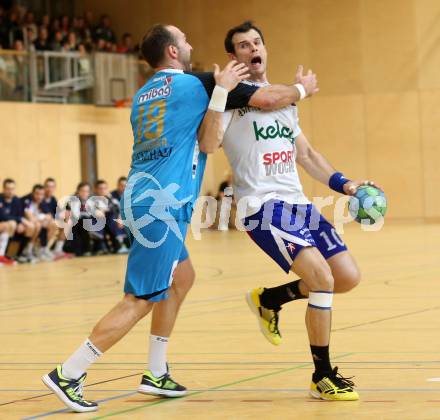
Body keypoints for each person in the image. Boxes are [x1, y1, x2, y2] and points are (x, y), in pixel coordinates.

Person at [41, 23, 318, 413]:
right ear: (173, 52)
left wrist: (220, 94)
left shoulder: (142, 96)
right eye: (185, 40)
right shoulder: (195, 85)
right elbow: (261, 105)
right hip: (162, 205)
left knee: (182, 276)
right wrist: (302, 89)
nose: (190, 44)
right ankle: (69, 373)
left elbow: (200, 138)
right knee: (139, 298)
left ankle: (155, 371)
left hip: (141, 196)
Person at [212, 21, 379, 401]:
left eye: (256, 41)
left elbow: (306, 155)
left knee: (346, 277)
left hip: (299, 204)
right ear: (234, 57)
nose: (251, 48)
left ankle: (270, 300)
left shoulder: (286, 102)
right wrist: (301, 89)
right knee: (321, 278)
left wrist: (348, 185)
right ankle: (323, 376)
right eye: (242, 45)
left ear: (265, 49)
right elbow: (213, 139)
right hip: (262, 207)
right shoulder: (232, 99)